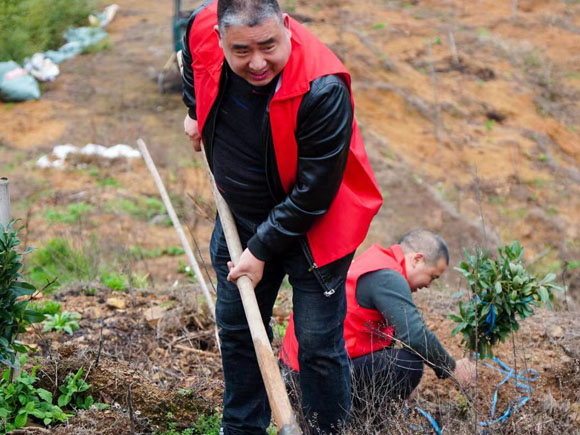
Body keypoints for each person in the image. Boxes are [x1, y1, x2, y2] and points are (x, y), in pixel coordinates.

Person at [181, 1, 383, 433]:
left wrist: (260, 250)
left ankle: (324, 430)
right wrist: (195, 110)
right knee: (238, 331)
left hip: (317, 227)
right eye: (241, 51)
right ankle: (241, 429)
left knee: (316, 345)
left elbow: (314, 194)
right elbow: (191, 61)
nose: (257, 63)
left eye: (269, 46)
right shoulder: (203, 26)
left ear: (286, 27)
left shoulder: (322, 87)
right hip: (241, 218)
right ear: (219, 39)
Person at [281, 229, 476, 406]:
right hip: (312, 378)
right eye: (432, 277)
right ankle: (359, 417)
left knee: (400, 359)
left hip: (299, 369)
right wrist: (451, 369)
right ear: (417, 259)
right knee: (408, 364)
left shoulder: (376, 262)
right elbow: (415, 335)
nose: (429, 285)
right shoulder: (388, 277)